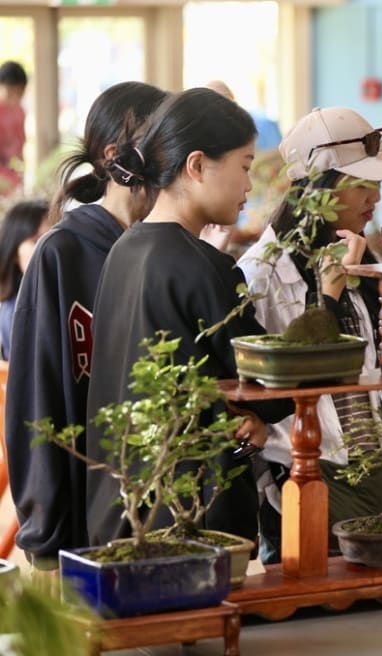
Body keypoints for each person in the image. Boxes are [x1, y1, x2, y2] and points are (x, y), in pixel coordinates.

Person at [85, 87, 292, 547]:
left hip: (123, 503)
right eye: (243, 166)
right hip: (194, 511)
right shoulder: (203, 266)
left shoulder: (123, 251)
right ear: (197, 165)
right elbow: (273, 393)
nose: (249, 186)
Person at [238, 106, 382, 564]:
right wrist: (329, 296)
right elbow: (288, 382)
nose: (374, 196)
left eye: (376, 183)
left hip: (376, 469)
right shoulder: (258, 275)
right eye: (361, 183)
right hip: (305, 477)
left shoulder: (355, 257)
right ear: (319, 188)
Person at [4, 81, 168, 569]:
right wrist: (45, 534)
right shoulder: (63, 252)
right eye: (161, 144)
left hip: (156, 519)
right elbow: (35, 398)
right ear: (116, 157)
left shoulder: (163, 252)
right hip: (76, 527)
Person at [0, 198, 49, 359]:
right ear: (14, 252)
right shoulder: (19, 310)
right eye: (36, 241)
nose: (51, 248)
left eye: (53, 237)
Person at [0, 61, 28, 196]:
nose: (15, 99)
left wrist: (21, 175)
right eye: (10, 93)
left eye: (20, 94)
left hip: (12, 182)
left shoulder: (20, 112)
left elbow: (20, 148)